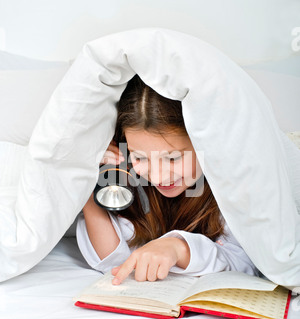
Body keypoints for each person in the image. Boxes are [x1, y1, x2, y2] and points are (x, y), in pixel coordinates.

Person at [76, 75, 259, 285]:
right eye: (139, 157)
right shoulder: (128, 184)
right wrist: (91, 178)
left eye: (172, 158)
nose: (158, 176)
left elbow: (246, 263)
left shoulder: (230, 188)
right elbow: (114, 263)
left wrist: (179, 247)